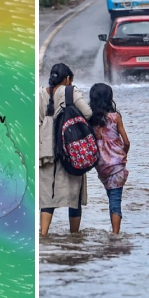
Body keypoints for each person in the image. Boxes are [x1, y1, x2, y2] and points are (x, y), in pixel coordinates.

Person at [39, 63, 92, 236]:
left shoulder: (39, 94)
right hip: (70, 149)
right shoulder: (71, 92)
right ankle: (74, 237)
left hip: (46, 152)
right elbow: (88, 113)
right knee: (74, 197)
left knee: (48, 196)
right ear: (68, 79)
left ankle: (44, 235)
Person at [88, 83, 130, 235]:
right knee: (115, 200)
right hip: (116, 165)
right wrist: (123, 154)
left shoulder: (90, 119)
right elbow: (126, 141)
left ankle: (114, 232)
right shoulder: (115, 118)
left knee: (110, 196)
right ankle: (115, 234)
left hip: (100, 166)